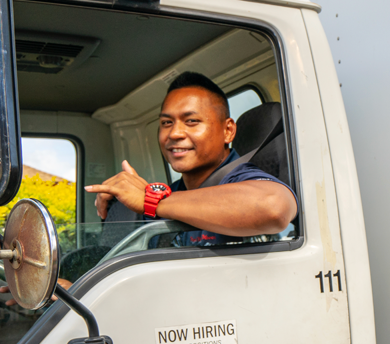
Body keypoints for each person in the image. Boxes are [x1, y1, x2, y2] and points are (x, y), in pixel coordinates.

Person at [85, 72, 297, 245]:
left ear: (228, 131)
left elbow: (273, 207)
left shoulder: (243, 180)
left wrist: (150, 200)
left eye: (192, 121)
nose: (174, 133)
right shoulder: (174, 193)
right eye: (167, 123)